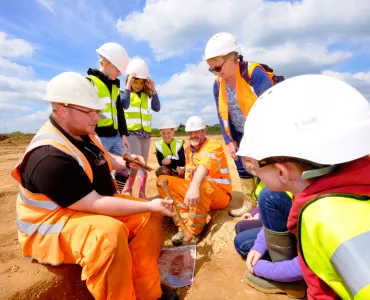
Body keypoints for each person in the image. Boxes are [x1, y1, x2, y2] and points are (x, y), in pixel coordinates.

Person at [11, 72, 176, 300]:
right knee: (109, 234)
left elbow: (102, 157)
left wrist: (126, 160)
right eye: (89, 111)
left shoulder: (81, 132)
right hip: (49, 225)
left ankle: (148, 293)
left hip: (81, 204)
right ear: (62, 109)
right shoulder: (49, 156)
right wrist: (150, 205)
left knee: (147, 218)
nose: (96, 117)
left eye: (96, 111)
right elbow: (95, 204)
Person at [236, 74, 370, 300]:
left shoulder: (325, 220)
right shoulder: (340, 184)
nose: (254, 172)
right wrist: (261, 246)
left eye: (257, 168)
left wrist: (264, 268)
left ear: (282, 172)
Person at [204, 32, 273, 217]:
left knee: (264, 166)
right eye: (212, 69)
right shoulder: (218, 83)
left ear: (233, 57)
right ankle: (250, 204)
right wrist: (228, 140)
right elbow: (221, 113)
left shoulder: (253, 73)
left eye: (217, 67)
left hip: (261, 132)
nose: (216, 73)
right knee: (242, 166)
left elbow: (272, 107)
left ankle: (268, 206)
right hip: (238, 132)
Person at [157, 116, 232, 245]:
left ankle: (193, 232)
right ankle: (183, 227)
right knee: (162, 180)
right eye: (190, 133)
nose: (193, 135)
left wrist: (194, 185)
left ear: (204, 131)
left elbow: (205, 165)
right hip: (198, 192)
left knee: (202, 184)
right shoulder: (188, 150)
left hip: (219, 195)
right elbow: (188, 174)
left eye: (197, 131)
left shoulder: (214, 146)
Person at [234, 183, 305, 298]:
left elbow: (304, 266)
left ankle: (291, 282)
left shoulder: (319, 212)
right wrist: (259, 245)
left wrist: (263, 269)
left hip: (307, 272)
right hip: (298, 238)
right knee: (241, 236)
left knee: (243, 242)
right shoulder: (305, 188)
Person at [87, 42, 131, 191]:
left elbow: (120, 112)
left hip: (116, 136)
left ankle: (117, 192)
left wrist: (124, 134)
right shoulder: (90, 83)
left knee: (128, 165)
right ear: (103, 63)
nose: (119, 73)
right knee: (100, 171)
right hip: (99, 137)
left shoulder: (115, 87)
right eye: (117, 69)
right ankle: (102, 198)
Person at [121, 58, 161, 199]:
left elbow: (157, 108)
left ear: (145, 82)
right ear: (130, 81)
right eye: (135, 82)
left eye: (140, 82)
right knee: (136, 163)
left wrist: (153, 90)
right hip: (131, 132)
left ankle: (142, 193)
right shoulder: (124, 93)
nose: (137, 86)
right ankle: (128, 188)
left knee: (143, 163)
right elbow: (124, 105)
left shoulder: (147, 96)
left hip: (145, 133)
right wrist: (128, 85)